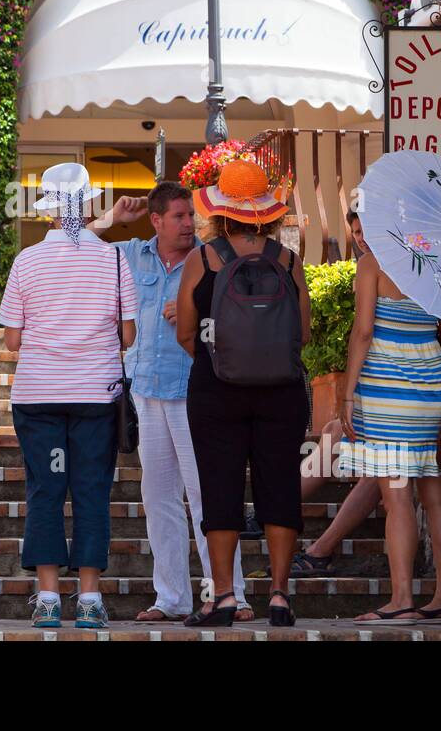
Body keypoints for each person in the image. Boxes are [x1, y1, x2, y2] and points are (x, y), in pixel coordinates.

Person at [88, 183, 252, 622]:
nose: (187, 224)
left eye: (190, 216)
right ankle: (171, 598)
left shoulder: (212, 258)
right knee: (158, 496)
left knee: (207, 494)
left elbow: (242, 316)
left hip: (196, 390)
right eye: (177, 217)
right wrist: (110, 218)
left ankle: (230, 593)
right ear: (155, 220)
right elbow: (75, 242)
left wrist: (198, 316)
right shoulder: (130, 254)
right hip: (145, 390)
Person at [0, 162, 137, 629]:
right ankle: (91, 599)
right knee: (92, 490)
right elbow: (128, 335)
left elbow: (12, 340)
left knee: (46, 489)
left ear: (48, 211)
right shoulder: (114, 259)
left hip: (38, 394)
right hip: (95, 395)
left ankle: (48, 597)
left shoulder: (27, 261)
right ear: (89, 205)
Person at [175, 160, 311, 628]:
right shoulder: (289, 261)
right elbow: (304, 334)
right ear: (268, 212)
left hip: (216, 390)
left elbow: (186, 332)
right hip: (282, 392)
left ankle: (226, 597)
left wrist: (220, 358)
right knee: (279, 485)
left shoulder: (203, 258)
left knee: (219, 487)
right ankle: (278, 596)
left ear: (221, 210)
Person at [337, 212, 441, 623]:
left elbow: (363, 331)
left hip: (386, 385)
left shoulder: (373, 262)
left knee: (396, 495)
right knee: (438, 497)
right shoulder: (439, 261)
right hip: (431, 381)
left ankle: (402, 599)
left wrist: (348, 391)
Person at [292, 210, 384, 578]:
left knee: (383, 470)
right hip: (383, 391)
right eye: (356, 232)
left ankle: (320, 549)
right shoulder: (370, 267)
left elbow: (363, 334)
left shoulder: (387, 268)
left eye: (366, 231)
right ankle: (278, 509)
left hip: (404, 394)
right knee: (332, 432)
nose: (361, 239)